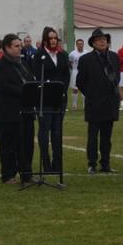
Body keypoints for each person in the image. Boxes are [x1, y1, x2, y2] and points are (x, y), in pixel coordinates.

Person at [0, 33, 35, 185]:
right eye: (16, 46)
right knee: (8, 145)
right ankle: (8, 175)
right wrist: (24, 90)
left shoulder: (23, 63)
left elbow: (30, 80)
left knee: (26, 144)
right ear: (7, 48)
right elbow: (2, 86)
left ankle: (26, 174)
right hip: (7, 113)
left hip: (26, 111)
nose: (19, 49)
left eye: (20, 46)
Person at [76, 28, 121, 174]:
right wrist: (92, 94)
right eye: (99, 40)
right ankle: (92, 163)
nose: (103, 42)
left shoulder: (114, 57)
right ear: (93, 43)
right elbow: (80, 82)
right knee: (93, 136)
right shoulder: (86, 59)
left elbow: (117, 77)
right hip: (94, 103)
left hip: (110, 102)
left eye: (104, 39)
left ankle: (106, 164)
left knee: (107, 137)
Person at [32, 27, 70, 173]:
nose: (54, 40)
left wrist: (62, 90)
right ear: (45, 40)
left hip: (59, 98)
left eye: (55, 38)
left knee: (57, 130)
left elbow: (66, 74)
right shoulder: (39, 55)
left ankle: (57, 164)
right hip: (44, 98)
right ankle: (45, 162)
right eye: (51, 38)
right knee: (44, 130)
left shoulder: (63, 54)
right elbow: (37, 74)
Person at [68, 38, 87, 110]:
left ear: (83, 44)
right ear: (76, 45)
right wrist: (73, 68)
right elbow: (69, 63)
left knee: (84, 89)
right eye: (78, 44)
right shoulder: (72, 54)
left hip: (84, 72)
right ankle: (74, 105)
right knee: (75, 89)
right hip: (75, 71)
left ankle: (85, 105)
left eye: (81, 44)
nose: (80, 45)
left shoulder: (86, 53)